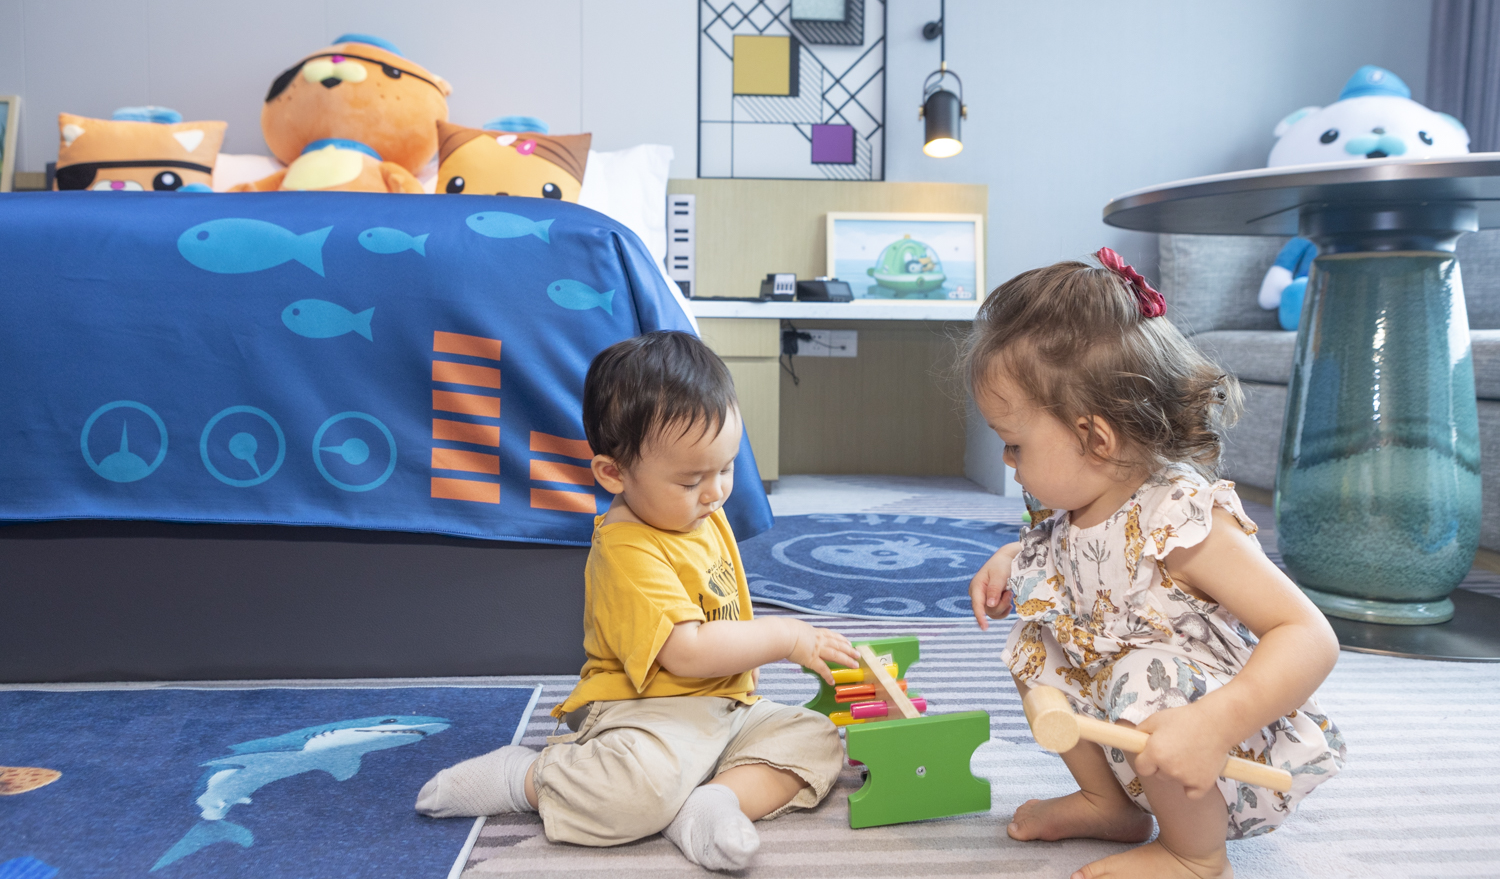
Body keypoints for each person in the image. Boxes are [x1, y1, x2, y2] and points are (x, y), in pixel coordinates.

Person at [965, 250, 1345, 879]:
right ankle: (1109, 805)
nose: (1009, 462)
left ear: (1095, 438)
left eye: (1015, 444)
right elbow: (1066, 566)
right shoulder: (1078, 511)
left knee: (1146, 670)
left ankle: (1195, 852)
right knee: (1037, 644)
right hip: (1138, 745)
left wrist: (1214, 724)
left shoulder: (1183, 522)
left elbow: (1309, 635)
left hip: (1218, 754)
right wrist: (1011, 560)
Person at [416, 330, 856, 871]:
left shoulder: (700, 512)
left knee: (816, 738)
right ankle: (525, 777)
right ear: (614, 473)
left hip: (726, 706)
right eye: (691, 480)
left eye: (725, 468)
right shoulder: (628, 548)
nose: (716, 492)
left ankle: (712, 801)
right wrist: (786, 636)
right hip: (648, 712)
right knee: (636, 793)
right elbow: (687, 652)